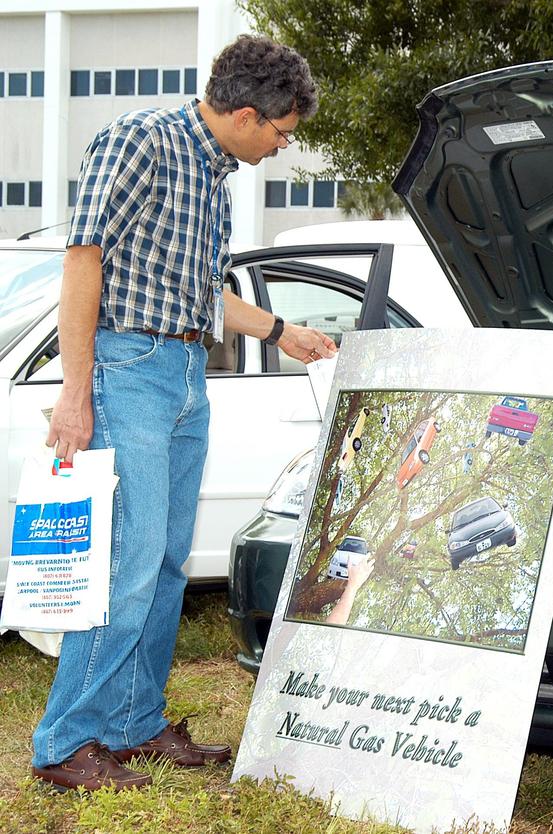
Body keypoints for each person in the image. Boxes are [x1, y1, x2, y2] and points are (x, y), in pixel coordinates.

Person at [32, 35, 337, 792]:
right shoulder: (139, 141)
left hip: (185, 372)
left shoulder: (213, 172)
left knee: (166, 562)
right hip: (126, 368)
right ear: (243, 114)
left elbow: (199, 292)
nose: (281, 145)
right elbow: (83, 259)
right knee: (126, 565)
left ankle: (132, 722)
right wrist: (75, 392)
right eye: (280, 131)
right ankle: (65, 742)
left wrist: (281, 331)